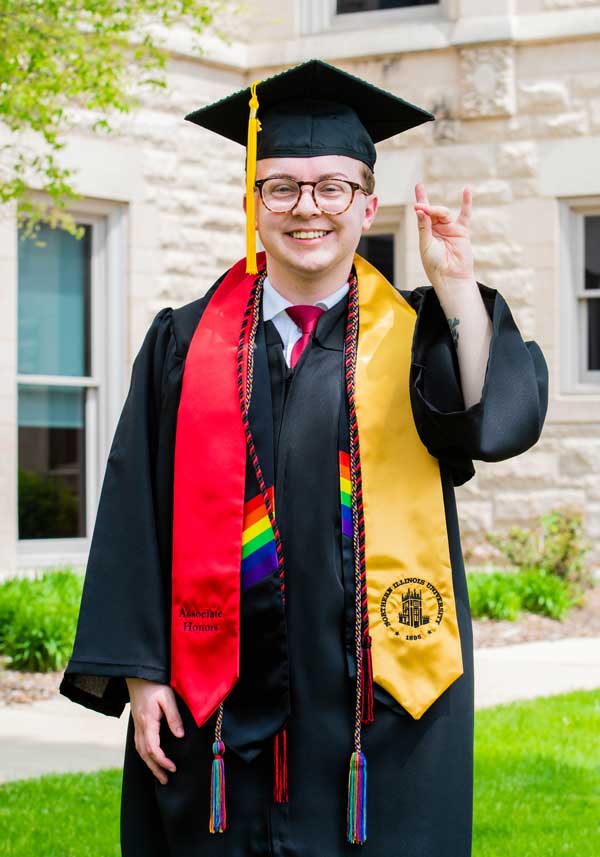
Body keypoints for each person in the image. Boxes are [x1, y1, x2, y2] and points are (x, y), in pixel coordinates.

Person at [60, 59, 548, 856]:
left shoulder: (420, 336)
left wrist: (459, 289)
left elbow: (492, 427)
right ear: (254, 205)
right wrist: (140, 672)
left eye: (330, 187)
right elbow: (133, 513)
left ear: (368, 203)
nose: (305, 208)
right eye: (281, 186)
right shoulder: (186, 342)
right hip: (216, 706)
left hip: (380, 707)